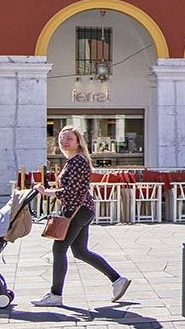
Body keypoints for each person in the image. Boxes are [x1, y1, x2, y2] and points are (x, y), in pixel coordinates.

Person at [31, 127, 130, 308]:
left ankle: (55, 294)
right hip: (82, 210)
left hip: (77, 210)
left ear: (78, 142)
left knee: (59, 249)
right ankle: (118, 280)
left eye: (69, 138)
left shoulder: (77, 161)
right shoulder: (73, 161)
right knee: (80, 251)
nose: (64, 141)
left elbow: (71, 191)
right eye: (62, 138)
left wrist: (46, 192)